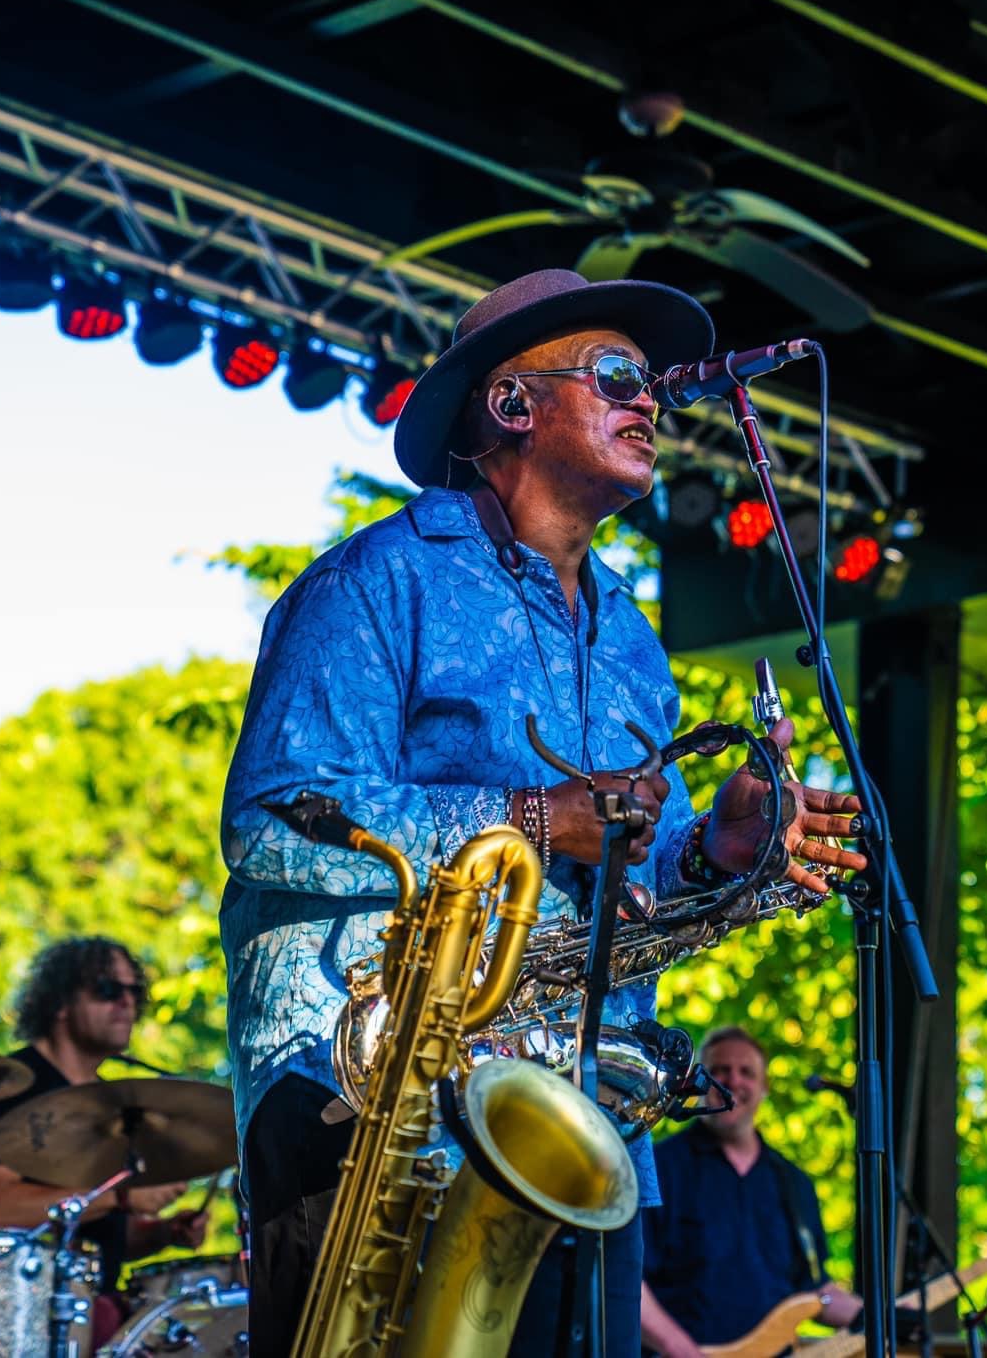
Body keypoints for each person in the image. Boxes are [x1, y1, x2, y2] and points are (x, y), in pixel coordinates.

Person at [219, 267, 866, 1358]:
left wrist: (719, 847)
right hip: (368, 1112)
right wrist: (524, 812)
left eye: (650, 382)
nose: (648, 400)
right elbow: (276, 819)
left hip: (577, 1118)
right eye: (618, 376)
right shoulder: (373, 582)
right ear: (512, 405)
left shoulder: (631, 640)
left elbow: (625, 863)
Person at [0, 938, 210, 1344]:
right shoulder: (12, 1084)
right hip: (13, 1315)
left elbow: (106, 1240)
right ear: (60, 1002)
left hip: (93, 1313)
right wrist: (124, 1198)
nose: (126, 1003)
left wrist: (161, 1233)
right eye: (109, 990)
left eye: (135, 992)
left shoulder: (112, 1105)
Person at [641, 1026, 862, 1355]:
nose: (733, 1081)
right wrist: (680, 1348)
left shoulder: (793, 1182)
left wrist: (885, 1316)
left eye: (746, 1072)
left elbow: (815, 1292)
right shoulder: (656, 1168)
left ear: (764, 1087)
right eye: (720, 1070)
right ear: (697, 1082)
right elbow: (626, 1277)